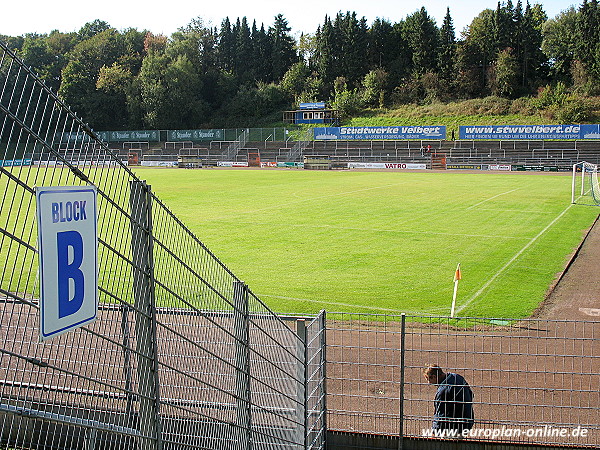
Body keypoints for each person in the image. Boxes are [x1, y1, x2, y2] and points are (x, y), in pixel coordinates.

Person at [423, 364, 474, 434]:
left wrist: (434, 433)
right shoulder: (457, 377)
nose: (429, 383)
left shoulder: (443, 391)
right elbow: (471, 394)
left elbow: (440, 416)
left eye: (428, 380)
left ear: (434, 377)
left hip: (453, 427)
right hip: (468, 421)